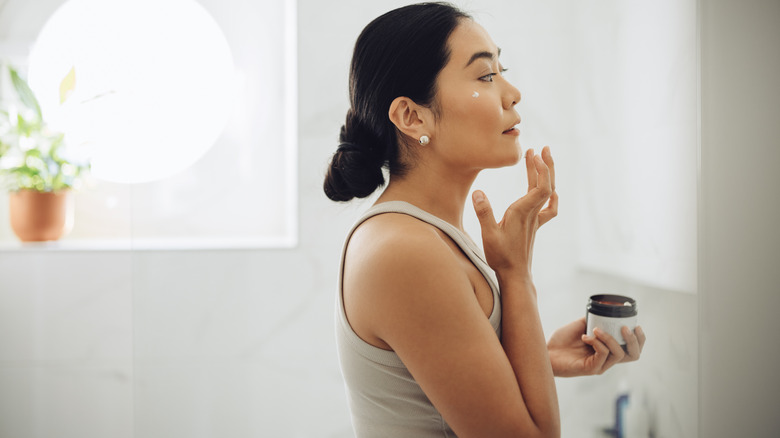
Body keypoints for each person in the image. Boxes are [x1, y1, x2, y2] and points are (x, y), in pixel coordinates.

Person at [324, 3, 646, 437]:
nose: (513, 93)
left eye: (501, 70)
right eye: (485, 76)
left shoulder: (421, 235)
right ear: (412, 117)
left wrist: (542, 357)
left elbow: (434, 382)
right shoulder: (407, 251)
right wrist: (515, 274)